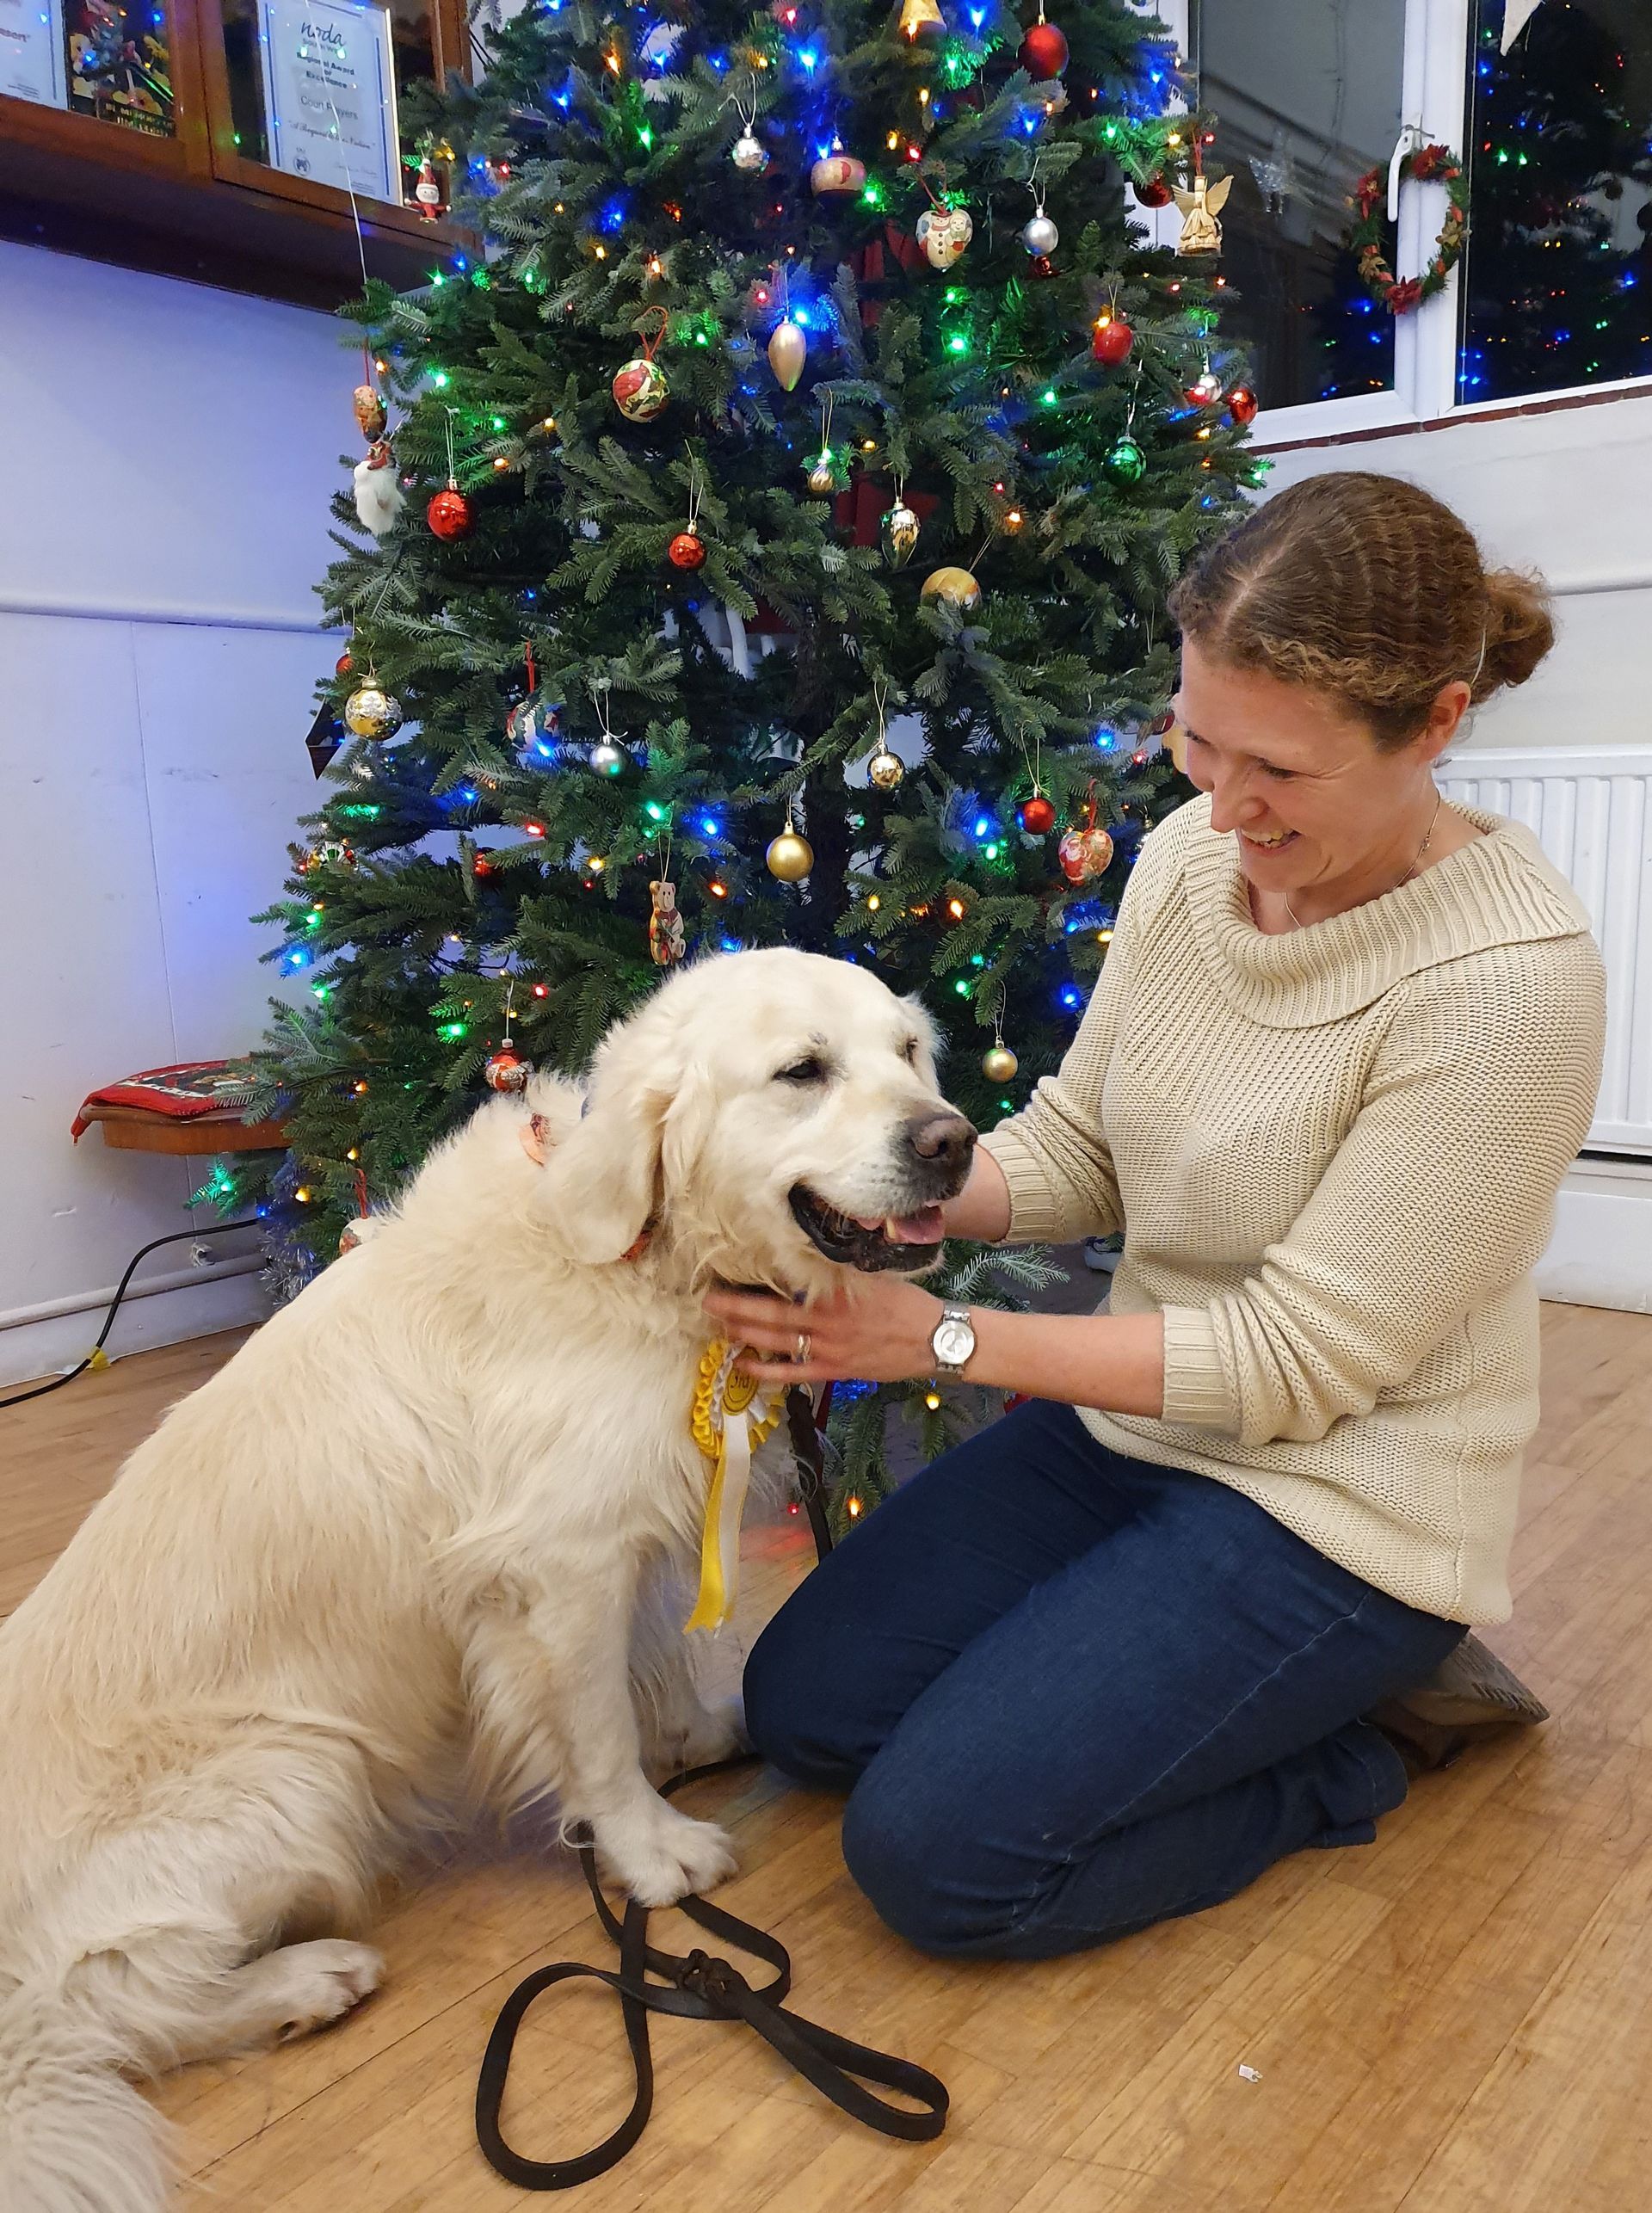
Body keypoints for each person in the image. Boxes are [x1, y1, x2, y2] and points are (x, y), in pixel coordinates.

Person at [706, 472, 1608, 1961]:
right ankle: (1171, 1694)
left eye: (1281, 769)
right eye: (1198, 739)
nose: (1224, 802)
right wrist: (891, 1185)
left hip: (1342, 1509)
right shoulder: (1197, 858)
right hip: (1141, 1428)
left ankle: (1350, 1752)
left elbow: (1295, 1361)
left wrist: (933, 1336)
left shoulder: (1508, 988)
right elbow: (1083, 1147)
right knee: (805, 1711)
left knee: (943, 1863)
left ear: (1436, 725)